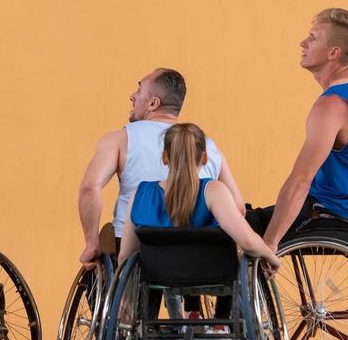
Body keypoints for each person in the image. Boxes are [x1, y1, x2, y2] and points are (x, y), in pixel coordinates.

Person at [247, 8, 348, 251]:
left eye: (313, 38)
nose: (303, 43)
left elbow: (301, 181)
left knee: (227, 228)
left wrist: (270, 243)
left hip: (332, 213)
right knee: (238, 217)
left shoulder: (332, 105)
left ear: (333, 53)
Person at [76, 68, 245, 267]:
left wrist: (91, 242)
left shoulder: (121, 139)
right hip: (196, 255)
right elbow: (238, 208)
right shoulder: (208, 146)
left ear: (153, 103)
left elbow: (90, 187)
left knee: (106, 241)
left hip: (138, 249)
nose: (132, 96)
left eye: (138, 90)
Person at [117, 122, 276, 271]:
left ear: (165, 157)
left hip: (157, 275)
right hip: (209, 273)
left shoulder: (141, 193)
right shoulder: (214, 191)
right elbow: (247, 242)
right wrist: (272, 258)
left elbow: (125, 256)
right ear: (205, 158)